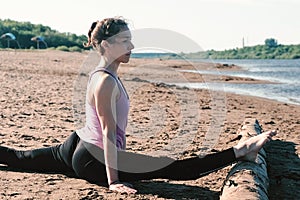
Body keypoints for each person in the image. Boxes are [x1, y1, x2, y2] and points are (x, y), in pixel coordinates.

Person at [0, 17, 277, 195]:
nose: (131, 46)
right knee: (172, 167)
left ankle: (241, 151)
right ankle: (239, 151)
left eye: (131, 40)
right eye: (124, 41)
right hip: (93, 158)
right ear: (107, 45)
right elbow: (108, 133)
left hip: (78, 144)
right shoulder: (105, 82)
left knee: (20, 159)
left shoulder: (103, 73)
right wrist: (113, 181)